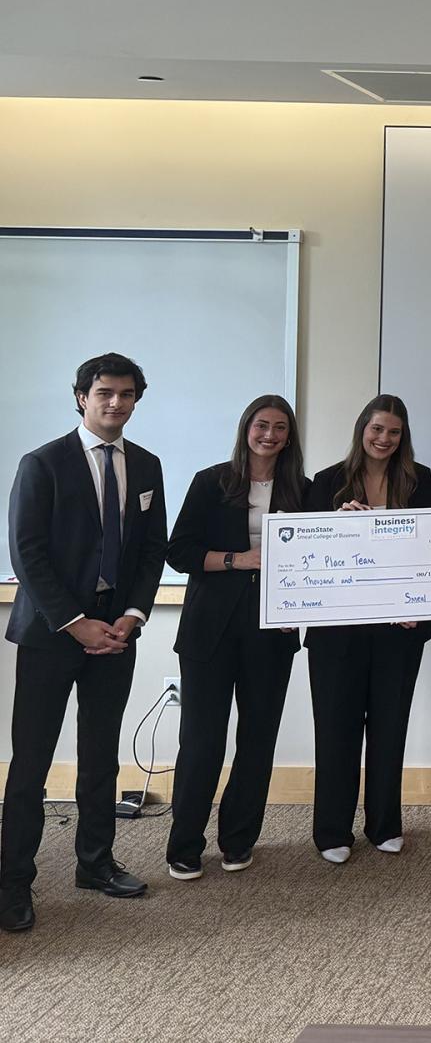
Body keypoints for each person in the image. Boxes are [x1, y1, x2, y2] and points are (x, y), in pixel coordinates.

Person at [2, 353, 167, 934]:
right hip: (53, 634)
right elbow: (26, 552)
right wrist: (75, 623)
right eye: (104, 393)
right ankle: (14, 883)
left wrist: (130, 615)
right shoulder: (42, 463)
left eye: (126, 394)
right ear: (81, 397)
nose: (116, 403)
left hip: (117, 633)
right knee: (31, 764)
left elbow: (152, 553)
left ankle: (95, 864)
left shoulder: (146, 467)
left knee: (100, 757)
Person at [164, 395, 308, 880]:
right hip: (209, 629)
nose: (269, 435)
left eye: (280, 428)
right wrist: (238, 559)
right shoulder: (212, 481)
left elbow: (318, 564)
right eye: (262, 425)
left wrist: (302, 608)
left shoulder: (303, 490)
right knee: (202, 741)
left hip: (273, 630)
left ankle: (238, 840)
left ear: (290, 437)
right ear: (247, 428)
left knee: (257, 740)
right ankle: (184, 845)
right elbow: (179, 552)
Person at [304, 394, 431, 864]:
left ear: (404, 438)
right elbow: (306, 557)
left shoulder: (419, 482)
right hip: (337, 632)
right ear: (362, 429)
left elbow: (430, 552)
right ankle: (331, 831)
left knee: (389, 727)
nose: (384, 439)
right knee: (336, 729)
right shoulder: (325, 483)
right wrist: (332, 526)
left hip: (400, 629)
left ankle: (385, 824)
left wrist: (419, 604)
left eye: (394, 432)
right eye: (377, 429)